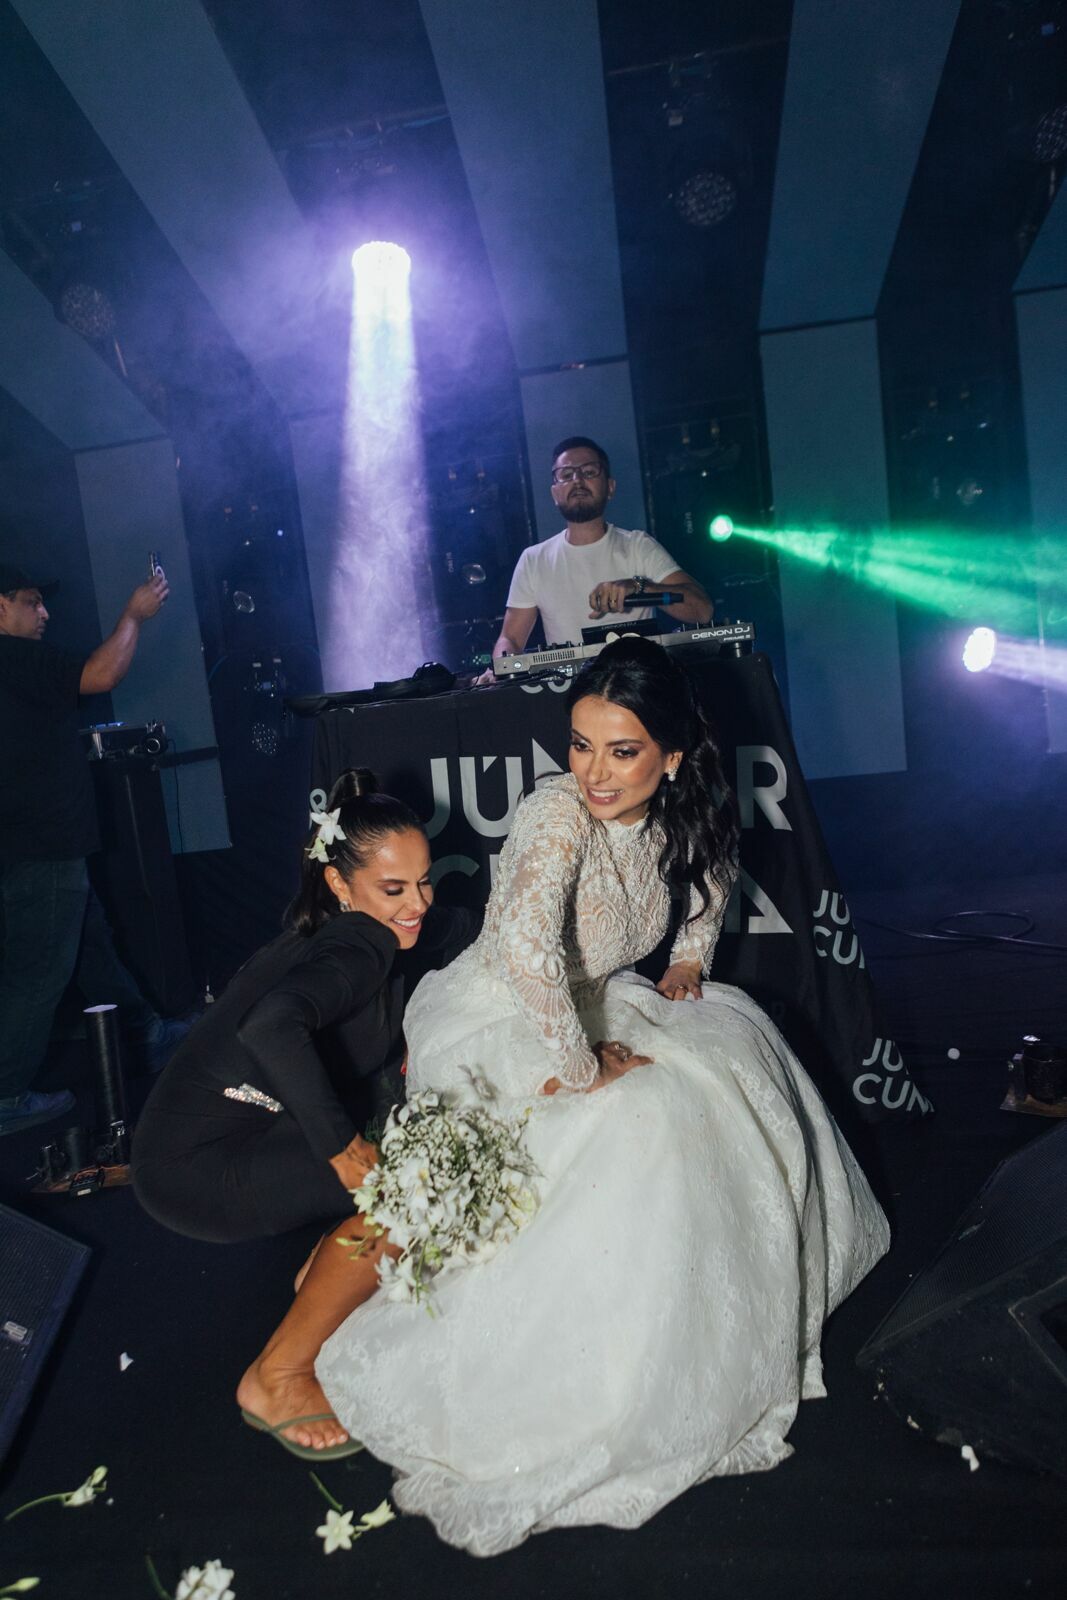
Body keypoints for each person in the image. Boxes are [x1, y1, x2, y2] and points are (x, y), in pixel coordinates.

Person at [314, 636, 890, 1554]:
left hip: (602, 999)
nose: (592, 772)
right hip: (506, 1015)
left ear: (669, 755)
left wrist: (693, 960)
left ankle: (684, 1341)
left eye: (620, 751)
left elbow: (708, 878)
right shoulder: (555, 818)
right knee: (640, 1111)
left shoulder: (682, 809)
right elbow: (535, 957)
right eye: (579, 745)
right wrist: (583, 1068)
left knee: (731, 1048)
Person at [132, 769, 475, 1459]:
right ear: (340, 886)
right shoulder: (359, 941)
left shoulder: (335, 932)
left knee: (415, 1160)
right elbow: (271, 1027)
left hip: (197, 1147)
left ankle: (325, 1269)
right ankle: (277, 1377)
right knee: (414, 1193)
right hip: (202, 1170)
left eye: (423, 881)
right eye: (394, 889)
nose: (418, 904)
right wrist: (345, 1151)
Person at [0, 558, 176, 1137]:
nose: (44, 612)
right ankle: (4, 1095)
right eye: (31, 601)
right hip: (42, 847)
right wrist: (133, 614)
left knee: (90, 949)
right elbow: (101, 674)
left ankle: (144, 1032)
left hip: (37, 846)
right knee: (40, 974)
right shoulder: (14, 657)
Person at [479, 436, 712, 681]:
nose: (577, 480)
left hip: (637, 688)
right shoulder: (533, 560)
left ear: (610, 487)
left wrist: (639, 586)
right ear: (554, 493)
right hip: (567, 694)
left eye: (588, 472)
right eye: (566, 474)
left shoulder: (638, 546)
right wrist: (501, 667)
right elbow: (511, 638)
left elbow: (702, 610)